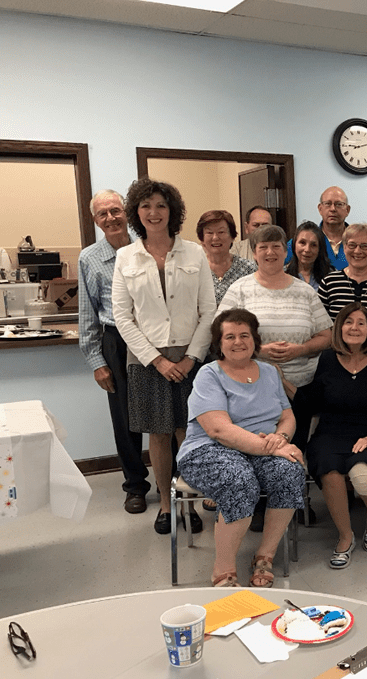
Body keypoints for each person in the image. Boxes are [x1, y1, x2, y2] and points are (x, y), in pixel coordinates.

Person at [111, 177, 216, 534]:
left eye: (160, 205)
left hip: (190, 356)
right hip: (146, 359)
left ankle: (190, 501)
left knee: (189, 431)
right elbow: (122, 317)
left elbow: (209, 311)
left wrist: (190, 359)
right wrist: (157, 360)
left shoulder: (195, 253)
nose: (153, 212)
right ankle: (167, 506)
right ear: (136, 212)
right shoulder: (125, 257)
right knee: (158, 434)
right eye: (145, 206)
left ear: (172, 211)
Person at [175, 308, 305, 587]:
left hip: (262, 446)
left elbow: (287, 415)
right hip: (208, 450)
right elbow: (218, 429)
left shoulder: (270, 372)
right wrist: (271, 448)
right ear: (218, 343)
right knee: (239, 480)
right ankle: (223, 568)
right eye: (230, 336)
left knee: (290, 472)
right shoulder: (208, 375)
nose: (238, 342)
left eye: (244, 335)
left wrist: (281, 437)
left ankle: (264, 556)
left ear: (255, 339)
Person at [296, 303, 367, 569]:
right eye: (348, 322)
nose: (354, 328)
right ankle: (345, 537)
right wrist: (281, 383)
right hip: (332, 431)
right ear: (338, 327)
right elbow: (312, 399)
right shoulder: (328, 358)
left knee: (362, 474)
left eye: (360, 323)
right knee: (330, 472)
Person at [78, 189, 150, 513]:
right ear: (95, 220)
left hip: (153, 339)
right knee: (125, 419)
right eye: (103, 214)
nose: (111, 218)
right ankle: (135, 485)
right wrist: (97, 360)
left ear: (127, 213)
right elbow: (86, 313)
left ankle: (173, 479)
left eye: (116, 211)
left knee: (167, 412)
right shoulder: (89, 258)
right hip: (116, 341)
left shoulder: (147, 248)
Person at [218, 224, 333, 400]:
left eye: (276, 247)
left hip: (301, 388)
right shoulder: (239, 289)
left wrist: (301, 349)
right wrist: (257, 350)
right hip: (251, 386)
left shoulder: (306, 291)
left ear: (286, 252)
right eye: (263, 247)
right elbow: (219, 335)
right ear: (254, 254)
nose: (270, 252)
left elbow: (326, 337)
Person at [317, 222, 367, 334]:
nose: (358, 251)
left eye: (364, 246)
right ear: (344, 248)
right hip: (337, 350)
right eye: (352, 245)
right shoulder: (329, 283)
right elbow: (320, 328)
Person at [197, 209, 255, 304]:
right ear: (202, 238)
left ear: (232, 236)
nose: (215, 237)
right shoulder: (194, 269)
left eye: (221, 232)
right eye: (209, 233)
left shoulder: (249, 268)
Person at [284, 186, 350, 269]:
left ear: (347, 210)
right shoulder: (302, 242)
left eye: (339, 204)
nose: (333, 209)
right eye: (328, 204)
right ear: (320, 208)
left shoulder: (358, 241)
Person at [284, 220, 331, 291]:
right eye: (302, 243)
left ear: (320, 248)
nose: (307, 249)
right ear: (294, 244)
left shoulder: (331, 276)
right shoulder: (282, 275)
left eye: (313, 245)